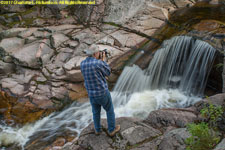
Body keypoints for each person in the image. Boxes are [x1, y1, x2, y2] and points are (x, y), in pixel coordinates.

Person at [80, 44, 120, 137]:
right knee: (109, 110)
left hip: (91, 93)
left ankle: (97, 130)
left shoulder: (82, 64)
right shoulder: (98, 63)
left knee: (96, 111)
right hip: (102, 93)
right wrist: (103, 60)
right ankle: (112, 130)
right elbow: (108, 72)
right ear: (95, 54)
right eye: (98, 52)